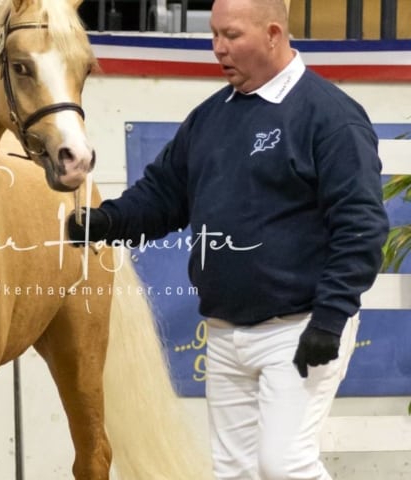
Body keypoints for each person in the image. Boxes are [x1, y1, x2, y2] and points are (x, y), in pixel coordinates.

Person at [67, 0, 390, 478]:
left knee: (284, 465)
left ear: (274, 34)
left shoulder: (330, 116)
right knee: (234, 471)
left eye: (231, 36)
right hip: (223, 331)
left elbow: (361, 223)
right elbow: (163, 196)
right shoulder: (210, 117)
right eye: (214, 34)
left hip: (300, 327)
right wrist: (106, 222)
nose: (218, 48)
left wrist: (331, 315)